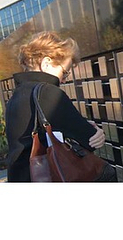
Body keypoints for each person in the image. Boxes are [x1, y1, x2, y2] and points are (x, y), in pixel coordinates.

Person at [5, 31, 116, 182]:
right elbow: (89, 139)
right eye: (64, 73)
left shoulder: (16, 95)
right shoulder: (48, 92)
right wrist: (97, 132)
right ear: (46, 63)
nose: (63, 80)